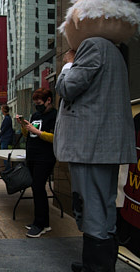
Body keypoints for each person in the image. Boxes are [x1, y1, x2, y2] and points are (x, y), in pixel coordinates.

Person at [54, 37, 136, 271]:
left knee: (92, 209)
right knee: (103, 207)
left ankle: (96, 266)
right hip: (100, 147)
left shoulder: (92, 46)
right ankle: (97, 262)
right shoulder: (114, 49)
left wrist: (69, 64)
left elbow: (68, 88)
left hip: (90, 148)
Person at [16, 88, 57, 238]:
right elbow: (29, 135)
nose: (37, 105)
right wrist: (24, 126)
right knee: (36, 188)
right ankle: (41, 222)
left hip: (45, 157)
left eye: (39, 103)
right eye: (35, 103)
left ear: (48, 100)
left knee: (39, 187)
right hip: (32, 155)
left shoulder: (55, 116)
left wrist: (37, 131)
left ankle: (40, 224)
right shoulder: (36, 115)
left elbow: (55, 138)